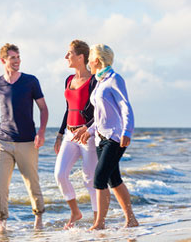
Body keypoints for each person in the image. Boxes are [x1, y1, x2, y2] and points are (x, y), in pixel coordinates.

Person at [0, 43, 48, 232]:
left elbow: (43, 108)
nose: (17, 61)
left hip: (27, 141)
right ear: (3, 60)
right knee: (0, 186)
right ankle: (2, 226)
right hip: (2, 142)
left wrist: (41, 132)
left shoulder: (31, 81)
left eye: (18, 57)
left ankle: (39, 219)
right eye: (13, 58)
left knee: (32, 183)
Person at [76, 44, 139, 230]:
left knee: (99, 178)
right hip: (100, 138)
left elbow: (126, 107)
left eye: (89, 59)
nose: (88, 63)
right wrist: (89, 131)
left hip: (115, 137)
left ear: (96, 60)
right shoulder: (100, 82)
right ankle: (131, 220)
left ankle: (99, 223)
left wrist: (127, 132)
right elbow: (102, 116)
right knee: (114, 180)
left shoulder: (114, 79)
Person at [53, 40, 98, 229]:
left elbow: (100, 112)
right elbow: (68, 108)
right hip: (69, 135)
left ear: (81, 57)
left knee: (90, 179)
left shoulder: (94, 81)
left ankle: (98, 220)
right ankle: (75, 212)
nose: (66, 57)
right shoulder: (68, 80)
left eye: (69, 53)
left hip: (88, 135)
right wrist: (59, 133)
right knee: (60, 174)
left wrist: (87, 129)